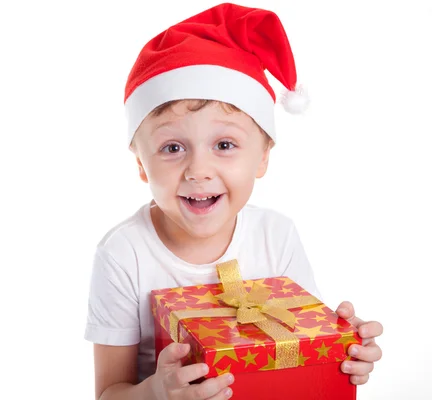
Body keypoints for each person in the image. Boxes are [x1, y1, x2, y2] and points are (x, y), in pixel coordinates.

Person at [84, 3, 383, 399]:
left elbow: (300, 349)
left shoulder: (276, 235)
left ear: (262, 157)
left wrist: (345, 351)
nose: (198, 170)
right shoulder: (124, 253)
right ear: (142, 165)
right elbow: (108, 394)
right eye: (172, 147)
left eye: (224, 144)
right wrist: (155, 392)